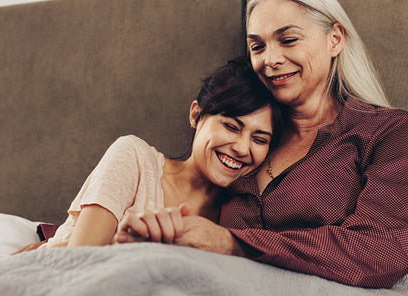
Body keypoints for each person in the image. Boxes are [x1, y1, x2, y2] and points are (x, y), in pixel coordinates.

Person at [116, 0, 408, 289]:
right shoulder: (246, 143)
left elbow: (381, 252)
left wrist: (231, 243)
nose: (270, 60)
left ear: (335, 39)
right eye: (257, 47)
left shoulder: (388, 131)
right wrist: (149, 236)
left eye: (288, 40)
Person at [26, 56, 283, 249]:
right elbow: (79, 260)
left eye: (259, 139)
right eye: (231, 126)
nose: (241, 148)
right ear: (196, 114)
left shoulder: (239, 221)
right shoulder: (134, 157)